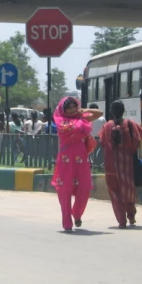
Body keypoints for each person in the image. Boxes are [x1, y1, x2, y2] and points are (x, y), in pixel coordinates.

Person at [51, 97, 103, 232]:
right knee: (65, 190)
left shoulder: (82, 118)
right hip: (66, 160)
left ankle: (77, 213)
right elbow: (74, 128)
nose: (72, 110)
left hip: (81, 158)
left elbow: (100, 113)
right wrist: (81, 116)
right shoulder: (60, 121)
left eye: (74, 107)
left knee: (85, 188)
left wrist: (84, 110)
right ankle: (67, 222)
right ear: (64, 109)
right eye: (69, 108)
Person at [99, 101, 142, 228]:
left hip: (111, 165)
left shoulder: (107, 126)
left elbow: (102, 142)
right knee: (128, 190)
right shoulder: (130, 124)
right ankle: (131, 216)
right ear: (123, 110)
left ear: (111, 111)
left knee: (115, 192)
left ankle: (121, 221)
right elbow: (138, 139)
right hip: (127, 165)